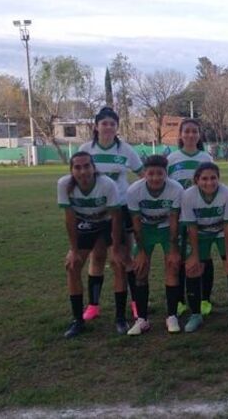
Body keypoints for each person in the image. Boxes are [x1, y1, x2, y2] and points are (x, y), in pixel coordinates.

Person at [78, 106, 143, 334]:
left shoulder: (126, 150)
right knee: (97, 257)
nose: (108, 127)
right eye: (104, 123)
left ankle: (136, 305)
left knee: (124, 258)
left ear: (117, 128)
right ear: (96, 126)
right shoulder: (86, 149)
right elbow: (77, 176)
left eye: (112, 124)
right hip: (95, 211)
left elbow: (143, 174)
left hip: (121, 208)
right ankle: (93, 306)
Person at [57, 152, 121, 338]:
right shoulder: (64, 185)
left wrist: (116, 248)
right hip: (84, 223)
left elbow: (116, 217)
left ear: (94, 168)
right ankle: (78, 320)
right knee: (73, 265)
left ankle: (119, 318)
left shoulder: (107, 184)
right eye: (77, 167)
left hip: (107, 222)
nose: (83, 171)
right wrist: (74, 250)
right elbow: (69, 219)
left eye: (87, 166)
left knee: (117, 262)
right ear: (71, 170)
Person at [180, 162, 228, 331]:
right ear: (196, 180)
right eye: (204, 178)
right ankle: (196, 315)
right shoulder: (188, 195)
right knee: (193, 268)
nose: (209, 182)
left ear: (218, 179)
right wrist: (195, 255)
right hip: (200, 232)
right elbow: (192, 227)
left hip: (223, 230)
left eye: (213, 178)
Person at [125, 155, 184, 335]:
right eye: (151, 173)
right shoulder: (134, 190)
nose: (155, 178)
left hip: (167, 229)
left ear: (166, 173)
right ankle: (142, 319)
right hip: (145, 230)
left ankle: (172, 315)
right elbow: (135, 222)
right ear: (145, 174)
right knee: (140, 269)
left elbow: (174, 220)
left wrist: (173, 249)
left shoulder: (176, 189)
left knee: (173, 266)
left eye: (160, 173)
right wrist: (141, 251)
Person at [167, 118, 214, 317]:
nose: (190, 135)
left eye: (194, 131)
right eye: (186, 131)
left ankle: (204, 299)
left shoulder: (206, 157)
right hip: (178, 215)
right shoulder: (172, 158)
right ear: (180, 135)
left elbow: (213, 184)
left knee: (203, 256)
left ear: (199, 135)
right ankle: (179, 300)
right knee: (179, 256)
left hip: (201, 215)